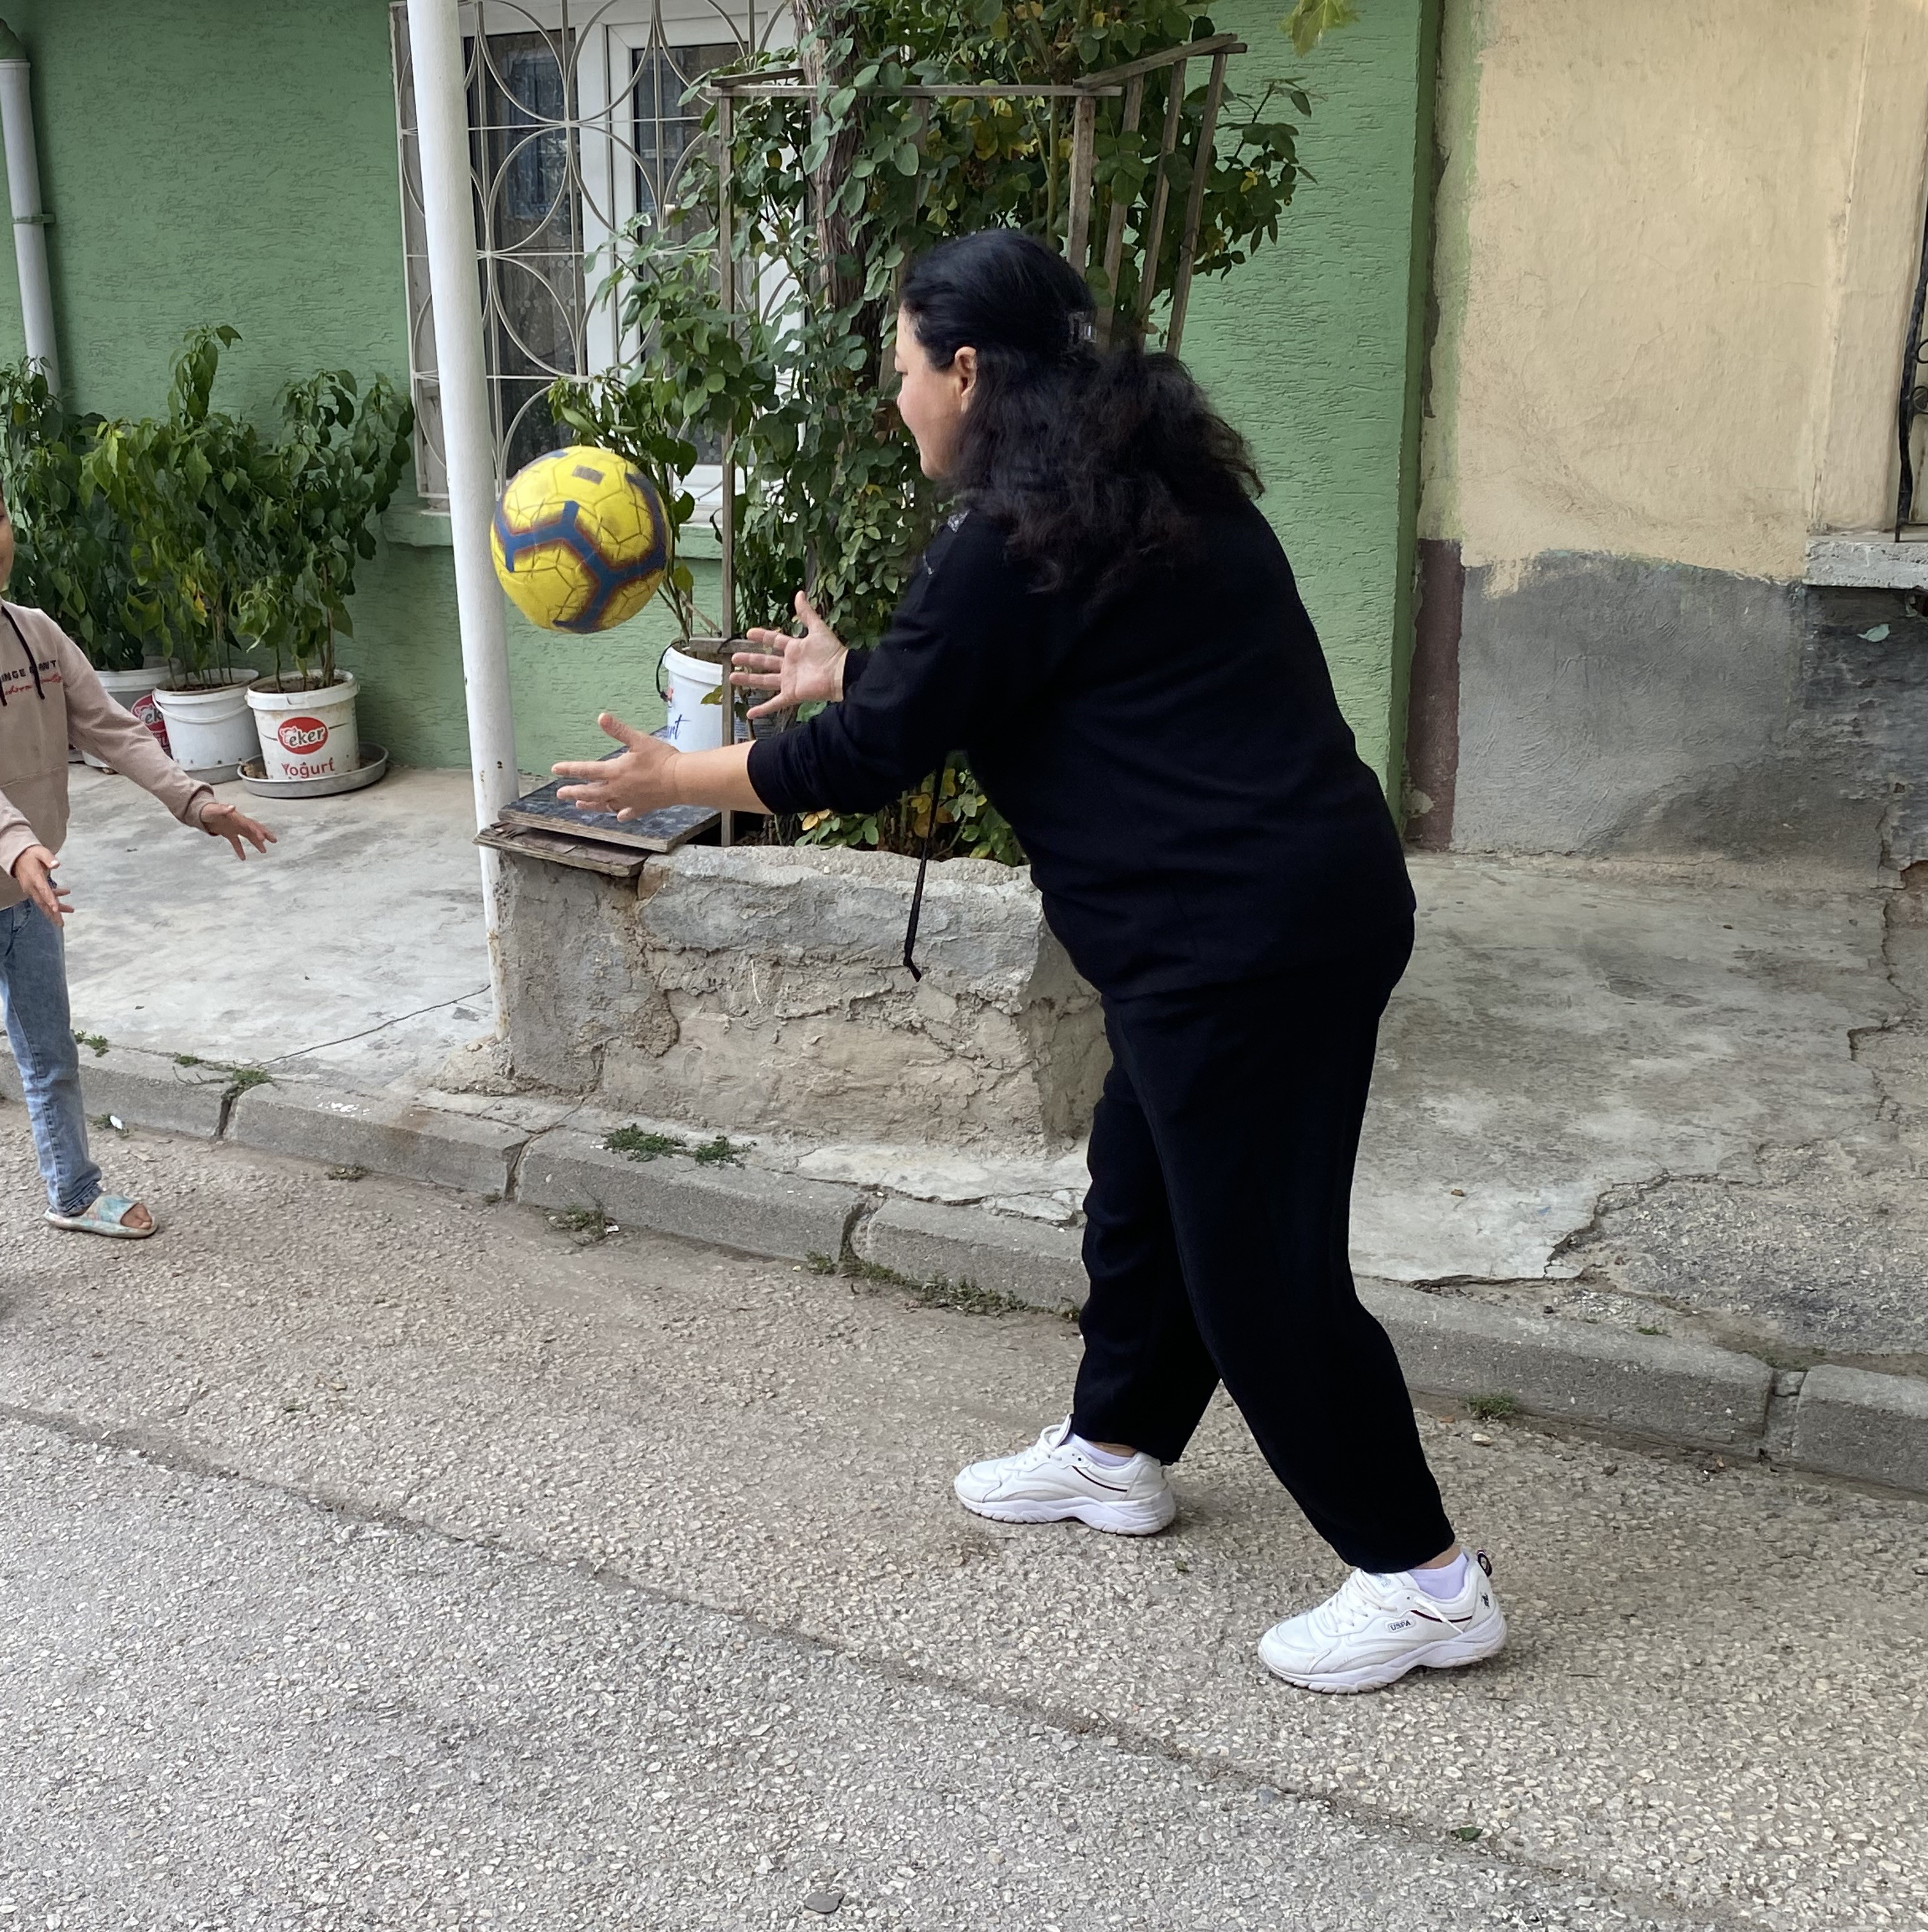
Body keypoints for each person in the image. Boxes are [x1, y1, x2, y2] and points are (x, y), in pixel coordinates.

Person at [554, 228, 1504, 1694]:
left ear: (972, 369)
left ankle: (1422, 1576)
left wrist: (676, 785)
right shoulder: (1139, 491)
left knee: (1264, 1271)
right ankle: (1116, 1450)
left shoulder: (1012, 536)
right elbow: (1004, 677)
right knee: (1143, 1184)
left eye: (905, 372)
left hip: (1243, 943)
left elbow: (875, 757)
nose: (899, 402)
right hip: (1266, 915)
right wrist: (854, 669)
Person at [0, 443, 277, 1333]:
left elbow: (111, 729)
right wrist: (17, 846)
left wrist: (195, 801)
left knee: (50, 1053)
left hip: (32, 889)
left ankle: (74, 1191)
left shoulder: (36, 632)